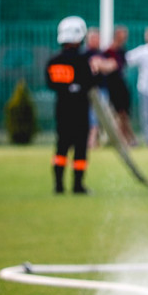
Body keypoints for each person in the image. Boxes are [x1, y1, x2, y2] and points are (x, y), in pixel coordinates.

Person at [46, 16, 98, 195]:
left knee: (61, 147)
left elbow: (51, 84)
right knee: (80, 149)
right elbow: (90, 83)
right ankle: (78, 185)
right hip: (79, 111)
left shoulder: (53, 61)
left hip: (61, 110)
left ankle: (58, 185)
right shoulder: (83, 61)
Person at [103, 25, 135, 146]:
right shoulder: (108, 52)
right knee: (119, 114)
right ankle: (123, 139)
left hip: (122, 86)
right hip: (113, 86)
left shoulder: (122, 51)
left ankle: (128, 138)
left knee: (124, 114)